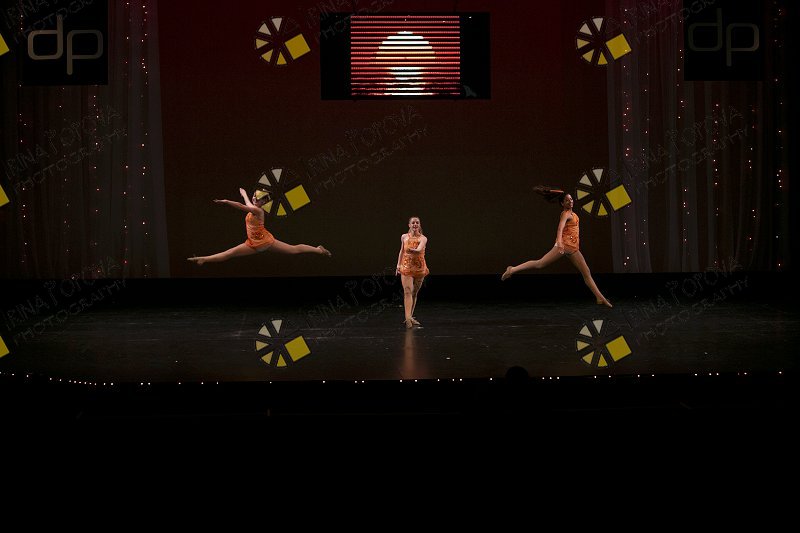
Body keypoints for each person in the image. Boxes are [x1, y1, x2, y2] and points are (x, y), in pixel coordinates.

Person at [501, 186, 612, 307]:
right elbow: (560, 228)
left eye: (571, 199)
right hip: (564, 246)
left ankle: (599, 297)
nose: (570, 201)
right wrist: (559, 242)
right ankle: (512, 270)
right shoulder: (565, 214)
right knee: (540, 263)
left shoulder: (573, 214)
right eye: (567, 200)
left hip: (573, 249)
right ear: (562, 204)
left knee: (586, 272)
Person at [188, 188, 331, 265]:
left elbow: (243, 206)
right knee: (229, 253)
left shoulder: (258, 211)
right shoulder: (253, 207)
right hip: (252, 244)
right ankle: (203, 259)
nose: (255, 200)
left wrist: (229, 200)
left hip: (265, 242)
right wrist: (242, 195)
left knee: (294, 249)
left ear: (262, 203)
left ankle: (319, 250)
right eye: (255, 197)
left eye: (258, 199)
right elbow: (246, 204)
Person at [396, 216, 430, 328]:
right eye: (413, 222)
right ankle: (407, 319)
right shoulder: (404, 237)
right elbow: (401, 251)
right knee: (407, 291)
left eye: (417, 222)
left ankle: (410, 316)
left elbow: (419, 250)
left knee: (414, 293)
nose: (415, 224)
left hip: (419, 268)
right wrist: (398, 265)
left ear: (419, 225)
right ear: (409, 225)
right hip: (406, 267)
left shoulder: (423, 238)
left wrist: (411, 250)